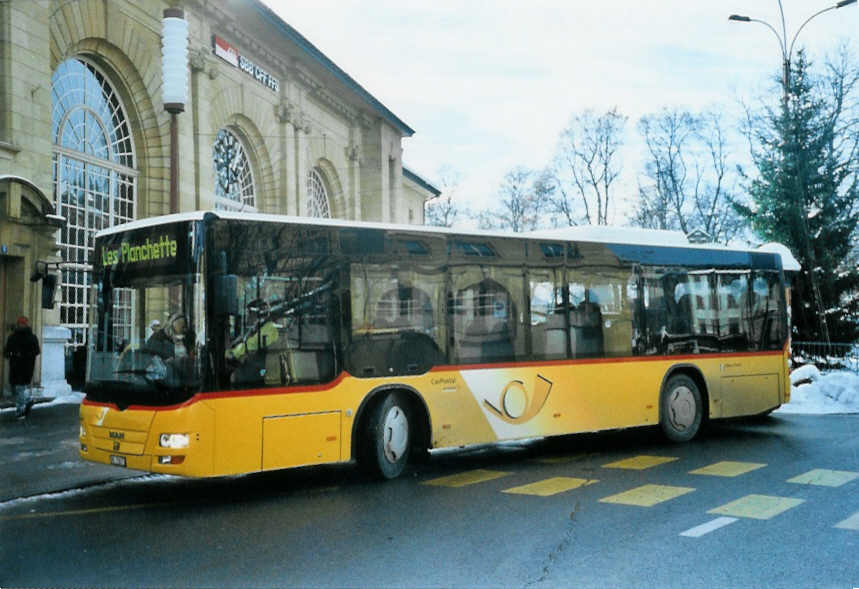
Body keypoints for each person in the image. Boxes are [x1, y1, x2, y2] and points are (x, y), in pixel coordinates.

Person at [5, 316, 40, 420]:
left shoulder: (31, 337)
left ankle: (20, 410)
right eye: (20, 323)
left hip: (25, 366)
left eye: (23, 323)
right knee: (16, 388)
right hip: (16, 365)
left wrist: (25, 355)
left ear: (26, 324)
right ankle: (28, 400)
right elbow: (7, 351)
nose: (21, 325)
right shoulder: (12, 337)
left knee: (20, 387)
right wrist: (11, 354)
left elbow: (36, 351)